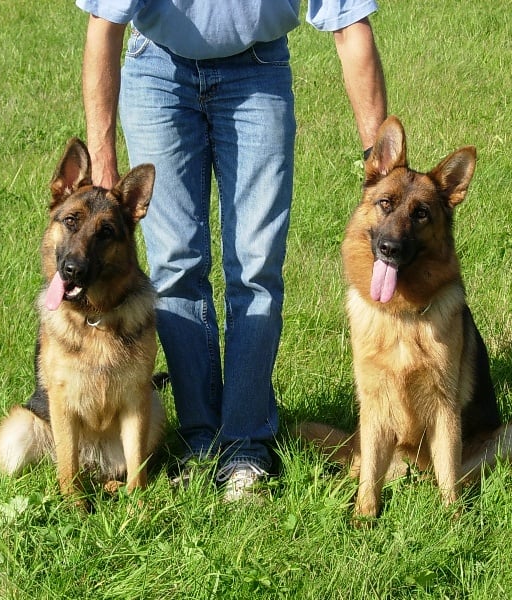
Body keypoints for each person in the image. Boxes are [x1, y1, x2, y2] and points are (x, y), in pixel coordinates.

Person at [77, 0, 387, 500]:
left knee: (257, 269)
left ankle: (245, 446)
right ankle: (200, 440)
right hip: (158, 73)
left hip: (257, 73)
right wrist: (102, 160)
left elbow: (349, 23)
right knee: (175, 266)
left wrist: (381, 161)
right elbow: (104, 23)